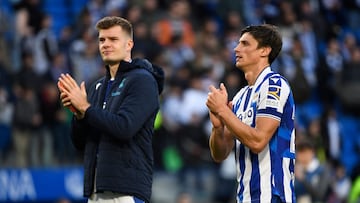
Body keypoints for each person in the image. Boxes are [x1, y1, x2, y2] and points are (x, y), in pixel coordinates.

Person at [57, 16, 164, 203]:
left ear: (129, 44)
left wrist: (86, 108)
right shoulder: (97, 86)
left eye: (113, 39)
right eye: (102, 40)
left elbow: (125, 127)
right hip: (96, 190)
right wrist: (79, 115)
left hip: (126, 191)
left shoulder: (143, 80)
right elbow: (80, 143)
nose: (105, 44)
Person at [206, 24, 296, 203]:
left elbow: (258, 141)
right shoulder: (240, 96)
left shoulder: (274, 85)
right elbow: (220, 154)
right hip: (245, 196)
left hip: (272, 195)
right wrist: (218, 127)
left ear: (264, 50)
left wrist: (223, 110)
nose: (236, 48)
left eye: (245, 44)